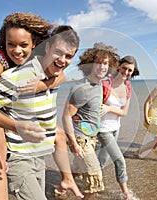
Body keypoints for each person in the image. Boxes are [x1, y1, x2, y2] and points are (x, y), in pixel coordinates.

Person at [0, 12, 82, 199]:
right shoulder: (2, 65)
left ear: (35, 44)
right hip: (15, 149)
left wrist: (44, 84)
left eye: (69, 56)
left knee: (57, 132)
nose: (17, 50)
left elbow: (60, 75)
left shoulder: (50, 69)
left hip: (37, 156)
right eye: (11, 44)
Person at [62, 42, 120, 199]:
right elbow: (66, 116)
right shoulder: (82, 88)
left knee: (79, 171)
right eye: (98, 63)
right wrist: (73, 143)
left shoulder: (99, 84)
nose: (102, 67)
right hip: (81, 139)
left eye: (106, 63)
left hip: (91, 137)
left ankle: (61, 189)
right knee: (95, 178)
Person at [96, 56, 139, 200]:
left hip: (116, 127)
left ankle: (91, 183)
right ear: (118, 67)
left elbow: (124, 112)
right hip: (102, 129)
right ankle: (126, 193)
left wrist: (109, 108)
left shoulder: (128, 87)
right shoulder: (105, 83)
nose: (126, 72)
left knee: (102, 159)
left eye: (130, 70)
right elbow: (92, 105)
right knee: (119, 160)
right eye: (124, 68)